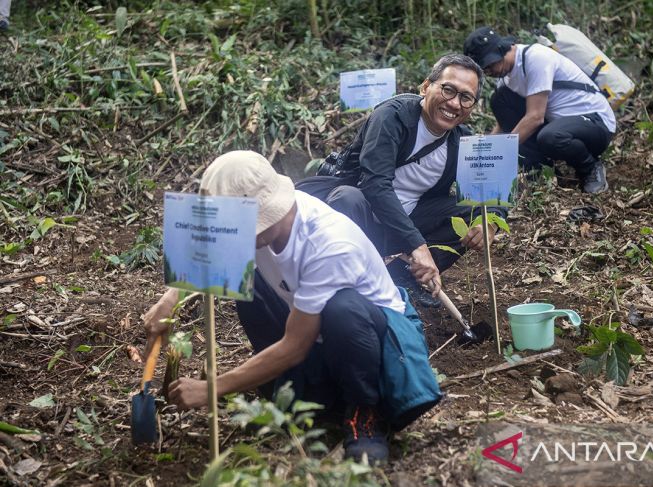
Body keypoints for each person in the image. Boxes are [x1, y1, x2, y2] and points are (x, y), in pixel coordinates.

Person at [142, 151, 441, 464]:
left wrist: (212, 388)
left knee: (343, 310)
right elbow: (209, 251)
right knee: (251, 288)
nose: (236, 237)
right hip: (320, 340)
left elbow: (294, 346)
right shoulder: (263, 229)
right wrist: (168, 302)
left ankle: (365, 413)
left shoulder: (329, 245)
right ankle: (304, 395)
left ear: (267, 212)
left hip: (378, 350)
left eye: (240, 228)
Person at [297, 53, 507, 308]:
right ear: (426, 86)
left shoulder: (462, 140)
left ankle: (403, 278)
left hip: (406, 220)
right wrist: (417, 246)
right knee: (347, 198)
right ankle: (346, 284)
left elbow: (492, 194)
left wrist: (490, 222)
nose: (454, 104)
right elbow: (375, 184)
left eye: (466, 97)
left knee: (473, 211)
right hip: (359, 217)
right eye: (448, 90)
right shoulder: (392, 117)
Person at [464, 26, 615, 194]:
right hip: (562, 126)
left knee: (549, 137)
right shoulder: (506, 79)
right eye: (484, 69)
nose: (489, 72)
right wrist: (485, 152)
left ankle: (590, 167)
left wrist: (502, 152)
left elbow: (535, 117)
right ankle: (543, 168)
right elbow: (502, 127)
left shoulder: (536, 58)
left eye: (489, 65)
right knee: (500, 100)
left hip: (597, 123)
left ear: (501, 50)